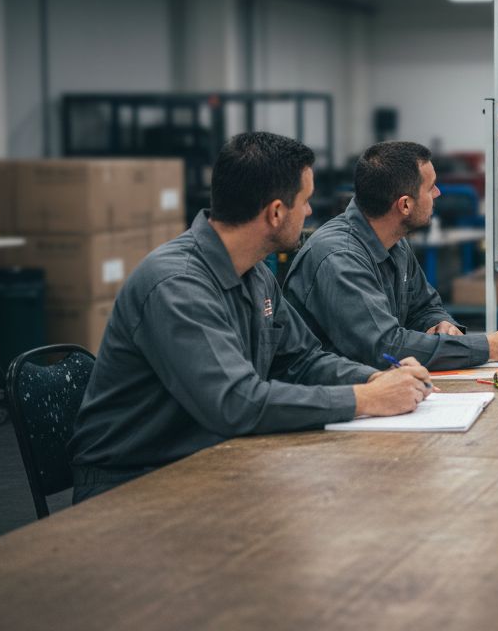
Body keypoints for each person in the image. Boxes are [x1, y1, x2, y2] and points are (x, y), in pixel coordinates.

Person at [69, 132, 436, 503]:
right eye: (305, 201)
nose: (310, 212)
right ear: (276, 213)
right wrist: (366, 397)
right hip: (133, 483)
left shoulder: (254, 272)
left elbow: (300, 359)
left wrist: (375, 376)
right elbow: (235, 402)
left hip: (210, 459)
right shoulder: (177, 285)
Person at [284, 141, 498, 369]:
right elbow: (384, 348)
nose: (438, 193)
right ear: (404, 204)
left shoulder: (394, 241)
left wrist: (439, 324)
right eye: (431, 188)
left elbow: (425, 306)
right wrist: (490, 347)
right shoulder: (338, 258)